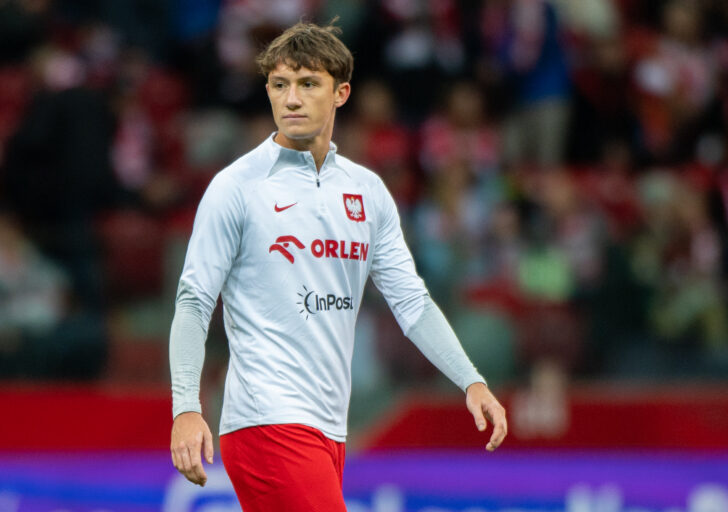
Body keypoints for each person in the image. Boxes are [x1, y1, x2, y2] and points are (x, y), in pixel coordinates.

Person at [168, 20, 507, 511]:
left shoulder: (367, 191)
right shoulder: (236, 187)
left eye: (308, 84)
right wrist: (186, 408)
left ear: (341, 93)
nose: (292, 99)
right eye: (280, 85)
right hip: (266, 421)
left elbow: (411, 301)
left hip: (329, 427)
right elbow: (193, 301)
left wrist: (471, 380)